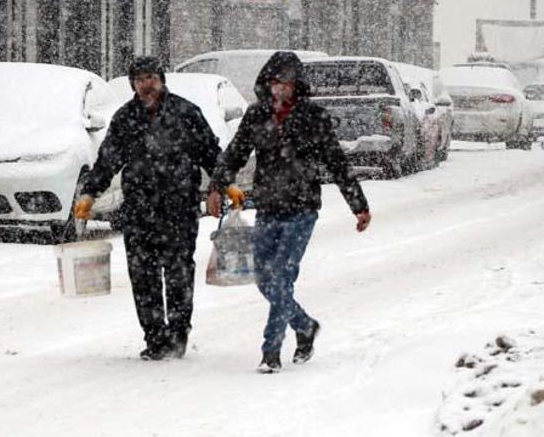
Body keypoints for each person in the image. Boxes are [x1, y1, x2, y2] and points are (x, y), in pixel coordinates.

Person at [208, 51, 371, 373]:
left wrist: (359, 205)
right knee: (264, 279)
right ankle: (304, 325)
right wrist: (217, 186)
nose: (279, 88)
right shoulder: (257, 115)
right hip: (269, 206)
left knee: (282, 275)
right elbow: (235, 153)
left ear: (297, 84)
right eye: (274, 82)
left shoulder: (313, 117)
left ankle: (270, 351)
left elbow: (336, 162)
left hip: (301, 208)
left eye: (286, 82)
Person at [74, 56, 221, 361]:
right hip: (139, 210)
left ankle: (178, 334)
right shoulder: (126, 118)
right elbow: (108, 160)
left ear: (161, 79)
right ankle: (154, 338)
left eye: (151, 78)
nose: (146, 85)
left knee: (178, 272)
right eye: (140, 80)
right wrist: (89, 193)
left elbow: (210, 153)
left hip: (179, 208)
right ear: (133, 85)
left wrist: (222, 184)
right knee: (143, 275)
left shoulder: (185, 112)